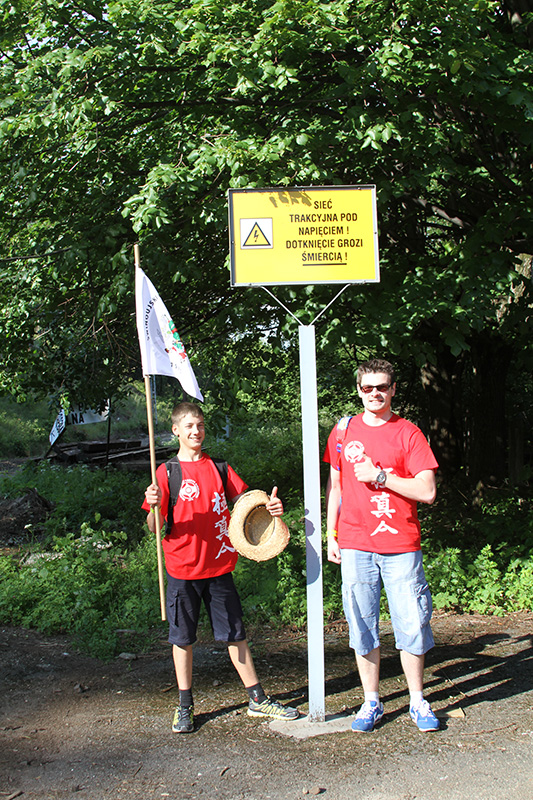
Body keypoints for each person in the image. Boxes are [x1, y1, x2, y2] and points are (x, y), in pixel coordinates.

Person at [143, 401, 299, 733]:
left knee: (235, 635)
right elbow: (154, 527)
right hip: (182, 569)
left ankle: (257, 699)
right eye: (189, 426)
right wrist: (154, 507)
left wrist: (272, 507)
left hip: (219, 568)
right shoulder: (166, 473)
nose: (196, 431)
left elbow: (249, 504)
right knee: (182, 639)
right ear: (176, 431)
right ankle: (185, 706)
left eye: (200, 425)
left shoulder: (220, 468)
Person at [323, 358, 440, 733]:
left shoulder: (409, 433)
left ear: (393, 389)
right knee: (361, 625)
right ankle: (371, 701)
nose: (375, 393)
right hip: (355, 543)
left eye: (382, 387)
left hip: (401, 545)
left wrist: (381, 477)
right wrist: (331, 534)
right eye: (368, 387)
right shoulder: (343, 431)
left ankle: (418, 701)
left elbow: (427, 491)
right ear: (358, 390)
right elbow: (336, 487)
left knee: (412, 624)